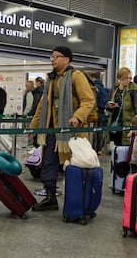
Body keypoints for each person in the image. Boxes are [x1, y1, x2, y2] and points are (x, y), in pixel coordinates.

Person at [29, 46, 95, 211]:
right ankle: (51, 197)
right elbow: (44, 104)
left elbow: (88, 100)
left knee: (78, 166)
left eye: (56, 56)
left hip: (72, 132)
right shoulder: (52, 79)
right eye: (51, 56)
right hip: (52, 131)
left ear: (67, 59)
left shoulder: (76, 76)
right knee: (48, 164)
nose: (53, 59)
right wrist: (34, 126)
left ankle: (81, 201)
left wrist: (77, 116)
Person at [106, 67, 137, 146]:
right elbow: (108, 107)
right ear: (120, 78)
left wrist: (136, 126)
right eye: (126, 78)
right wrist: (109, 106)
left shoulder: (133, 90)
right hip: (114, 122)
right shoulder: (115, 90)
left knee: (125, 149)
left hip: (127, 124)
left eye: (130, 78)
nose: (128, 80)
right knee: (115, 148)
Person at [90, 72, 109, 155]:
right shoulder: (104, 88)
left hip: (96, 111)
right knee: (100, 131)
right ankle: (100, 149)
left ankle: (94, 148)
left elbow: (93, 100)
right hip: (102, 112)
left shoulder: (95, 88)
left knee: (94, 130)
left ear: (93, 78)